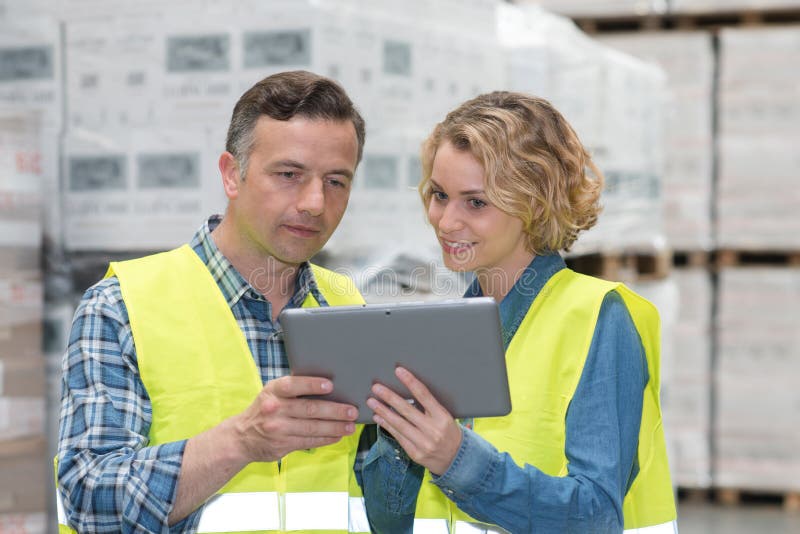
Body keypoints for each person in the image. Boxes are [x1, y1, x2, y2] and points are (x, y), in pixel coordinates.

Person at [56, 71, 374, 533]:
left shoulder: (349, 305)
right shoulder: (121, 305)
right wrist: (243, 441)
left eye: (336, 181)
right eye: (289, 174)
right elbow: (90, 498)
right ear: (231, 174)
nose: (314, 202)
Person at [362, 91, 678, 533]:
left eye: (475, 202)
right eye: (439, 194)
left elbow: (597, 515)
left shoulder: (598, 318)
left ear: (534, 202)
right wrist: (391, 444)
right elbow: (391, 520)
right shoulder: (440, 333)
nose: (446, 221)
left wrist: (457, 460)